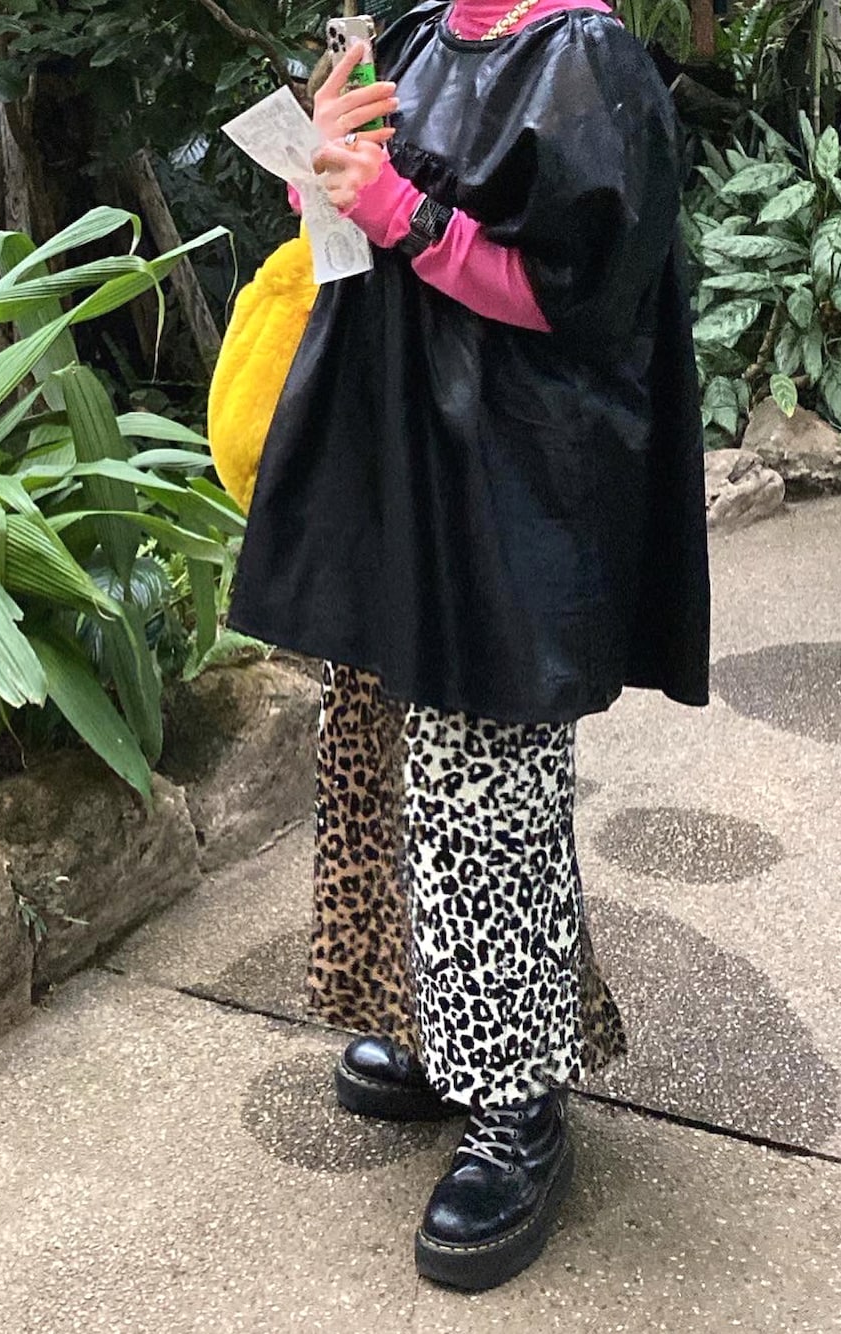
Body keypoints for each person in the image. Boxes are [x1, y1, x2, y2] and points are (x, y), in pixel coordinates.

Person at [228, 0, 710, 1293]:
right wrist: (324, 172)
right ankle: (439, 1026)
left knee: (487, 794)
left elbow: (583, 293)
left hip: (511, 497)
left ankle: (520, 1096)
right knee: (381, 758)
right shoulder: (423, 37)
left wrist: (402, 212)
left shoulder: (586, 58)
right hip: (405, 469)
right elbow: (349, 249)